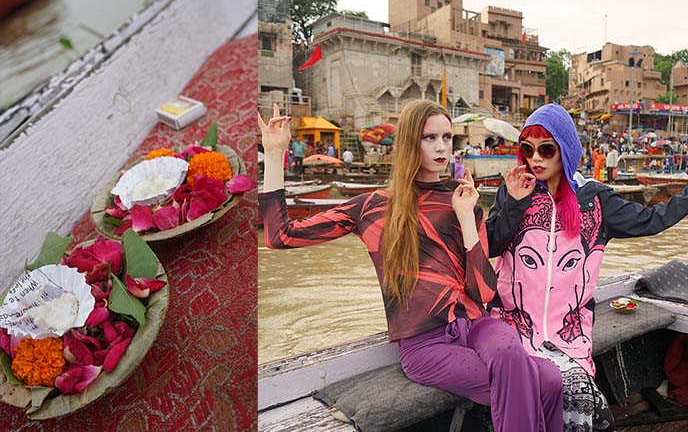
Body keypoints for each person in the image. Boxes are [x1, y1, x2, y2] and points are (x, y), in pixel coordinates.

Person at [259, 101, 563, 432]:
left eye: (447, 137)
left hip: (477, 326)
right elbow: (280, 236)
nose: (441, 147)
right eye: (429, 138)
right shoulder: (371, 208)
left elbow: (484, 292)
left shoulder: (462, 201)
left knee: (526, 364)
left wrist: (465, 219)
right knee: (545, 381)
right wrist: (275, 154)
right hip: (426, 344)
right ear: (408, 143)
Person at [485, 103, 688, 432]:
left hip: (569, 334)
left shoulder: (594, 200)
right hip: (512, 327)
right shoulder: (514, 193)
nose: (535, 158)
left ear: (564, 150)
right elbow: (491, 245)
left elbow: (653, 220)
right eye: (527, 149)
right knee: (533, 391)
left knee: (585, 400)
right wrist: (514, 202)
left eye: (546, 149)